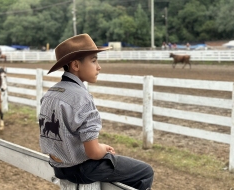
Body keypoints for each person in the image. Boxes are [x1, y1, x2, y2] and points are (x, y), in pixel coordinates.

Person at [39, 34, 154, 190]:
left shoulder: (50, 93)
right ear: (76, 65)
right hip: (82, 169)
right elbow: (93, 152)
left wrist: (101, 147)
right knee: (145, 172)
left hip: (60, 168)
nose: (98, 67)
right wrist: (101, 149)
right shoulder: (82, 98)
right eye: (93, 61)